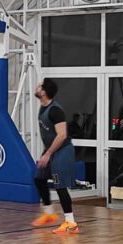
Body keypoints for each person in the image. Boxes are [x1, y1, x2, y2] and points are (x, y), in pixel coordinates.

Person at [31, 78, 78, 234]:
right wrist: (47, 152)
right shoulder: (43, 107)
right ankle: (49, 214)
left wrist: (48, 154)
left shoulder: (55, 110)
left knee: (60, 186)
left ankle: (71, 223)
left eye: (39, 86)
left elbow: (62, 135)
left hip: (62, 150)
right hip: (51, 149)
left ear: (44, 92)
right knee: (39, 178)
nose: (36, 87)